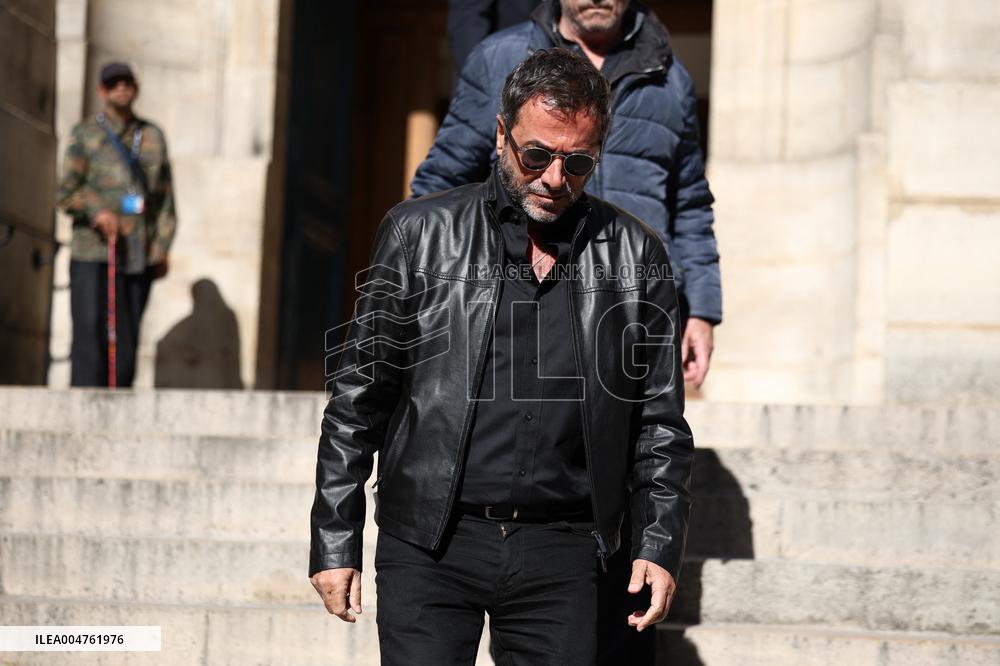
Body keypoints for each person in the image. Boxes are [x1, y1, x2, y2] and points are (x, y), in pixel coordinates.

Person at [310, 48, 693, 665]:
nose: (552, 178)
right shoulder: (419, 234)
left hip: (566, 549)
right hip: (430, 540)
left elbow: (659, 424)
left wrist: (657, 540)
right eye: (536, 155)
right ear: (499, 135)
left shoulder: (635, 255)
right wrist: (335, 537)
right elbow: (357, 401)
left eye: (577, 163)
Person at [412, 0, 721, 391]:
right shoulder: (500, 57)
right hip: (517, 306)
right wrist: (437, 290)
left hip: (632, 307)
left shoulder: (671, 80)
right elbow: (440, 184)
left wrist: (703, 311)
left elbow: (690, 203)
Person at [57, 62, 176, 387]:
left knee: (127, 337)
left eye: (126, 82)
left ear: (135, 87)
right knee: (89, 329)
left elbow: (164, 200)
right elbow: (66, 192)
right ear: (102, 91)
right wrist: (97, 212)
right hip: (93, 250)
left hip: (137, 252)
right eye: (113, 84)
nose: (121, 88)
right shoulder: (85, 135)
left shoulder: (152, 136)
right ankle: (83, 402)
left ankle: (118, 399)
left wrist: (162, 247)